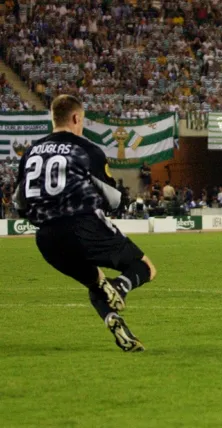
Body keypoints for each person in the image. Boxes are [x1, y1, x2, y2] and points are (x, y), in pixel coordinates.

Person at [12, 95, 158, 352]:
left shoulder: (31, 153)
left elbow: (19, 202)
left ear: (52, 118)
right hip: (83, 226)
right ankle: (121, 287)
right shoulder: (86, 149)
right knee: (145, 267)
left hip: (46, 238)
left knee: (96, 283)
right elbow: (113, 198)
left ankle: (112, 319)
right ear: (77, 118)